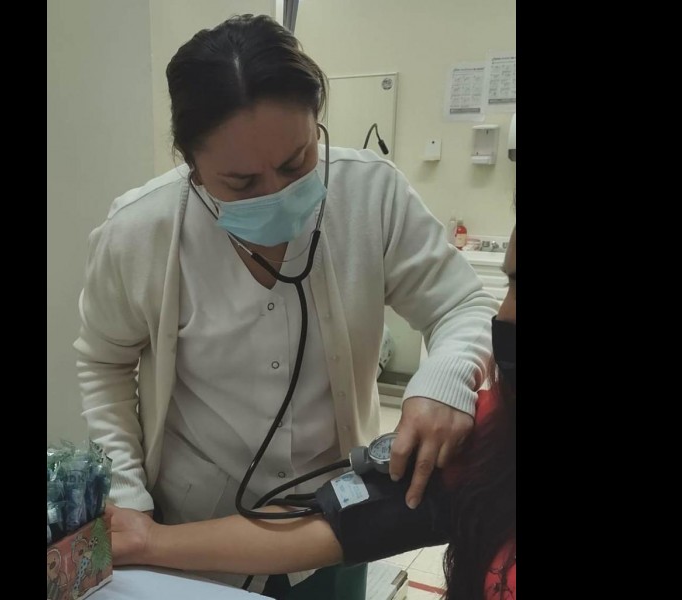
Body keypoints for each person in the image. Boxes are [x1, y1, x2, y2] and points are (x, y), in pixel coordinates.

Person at [75, 13, 498, 597]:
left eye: (297, 162)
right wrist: (127, 494)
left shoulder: (372, 194)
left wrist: (446, 378)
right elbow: (103, 362)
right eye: (241, 183)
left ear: (317, 121)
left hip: (332, 527)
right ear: (190, 164)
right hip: (189, 534)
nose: (277, 194)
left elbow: (463, 304)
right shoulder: (139, 232)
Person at [104, 223, 516, 600]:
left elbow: (461, 303)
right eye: (510, 283)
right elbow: (338, 522)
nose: (505, 313)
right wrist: (150, 541)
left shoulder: (373, 198)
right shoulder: (492, 435)